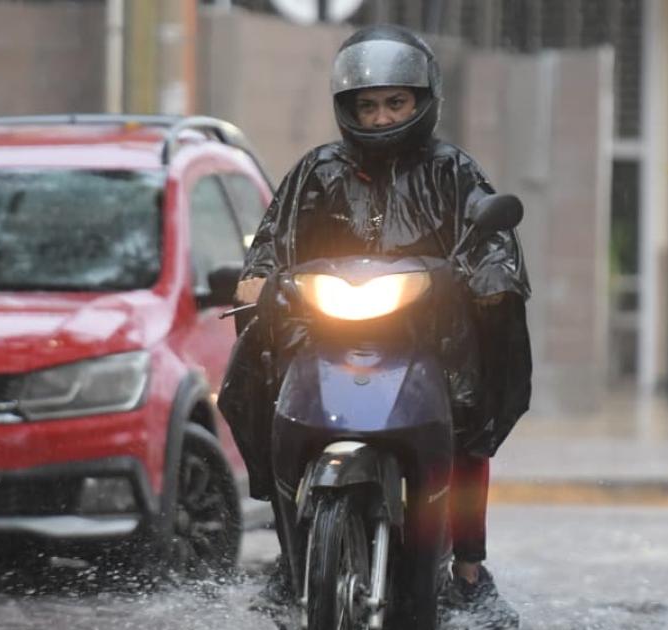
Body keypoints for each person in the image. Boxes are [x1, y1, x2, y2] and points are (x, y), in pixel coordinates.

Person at [219, 23, 531, 626]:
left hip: (429, 337)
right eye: (369, 104)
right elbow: (273, 238)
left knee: (466, 425)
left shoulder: (452, 169)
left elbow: (491, 237)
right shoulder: (317, 171)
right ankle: (292, 557)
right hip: (326, 333)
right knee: (257, 379)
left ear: (422, 101)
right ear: (347, 108)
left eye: (396, 102)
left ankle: (467, 564)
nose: (383, 116)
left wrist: (493, 278)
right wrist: (256, 275)